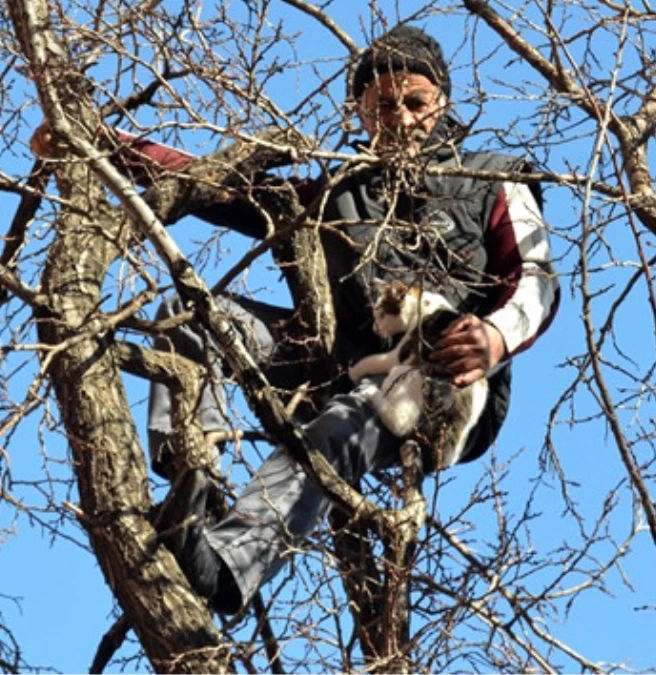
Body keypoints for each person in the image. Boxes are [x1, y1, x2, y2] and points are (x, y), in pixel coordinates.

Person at [39, 24, 559, 613]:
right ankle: (193, 474)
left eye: (415, 102)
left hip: (441, 379)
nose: (401, 118)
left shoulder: (493, 178)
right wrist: (101, 145)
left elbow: (537, 279)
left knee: (345, 424)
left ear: (440, 103)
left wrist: (494, 337)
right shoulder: (335, 188)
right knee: (192, 312)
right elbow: (217, 188)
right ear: (360, 112)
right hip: (332, 356)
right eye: (383, 105)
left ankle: (228, 569)